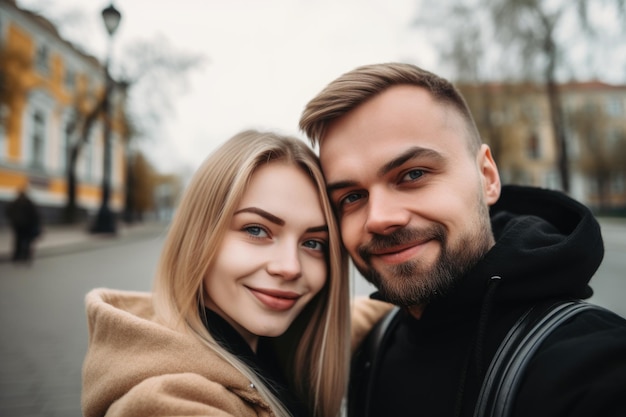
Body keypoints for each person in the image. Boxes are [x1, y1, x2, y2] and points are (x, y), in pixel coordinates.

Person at [299, 62, 626, 417]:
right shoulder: (371, 346)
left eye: (412, 174)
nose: (379, 218)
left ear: (487, 177)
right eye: (351, 197)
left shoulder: (592, 363)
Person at [81, 130, 352, 417]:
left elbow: (352, 317)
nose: (289, 267)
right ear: (198, 236)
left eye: (313, 243)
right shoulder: (168, 402)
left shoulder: (285, 342)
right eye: (256, 230)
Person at [4, 187, 41, 263]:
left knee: (18, 240)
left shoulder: (15, 202)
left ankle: (17, 256)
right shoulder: (28, 203)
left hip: (17, 225)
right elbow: (35, 215)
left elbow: (8, 211)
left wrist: (13, 220)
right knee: (26, 241)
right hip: (27, 226)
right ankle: (25, 255)